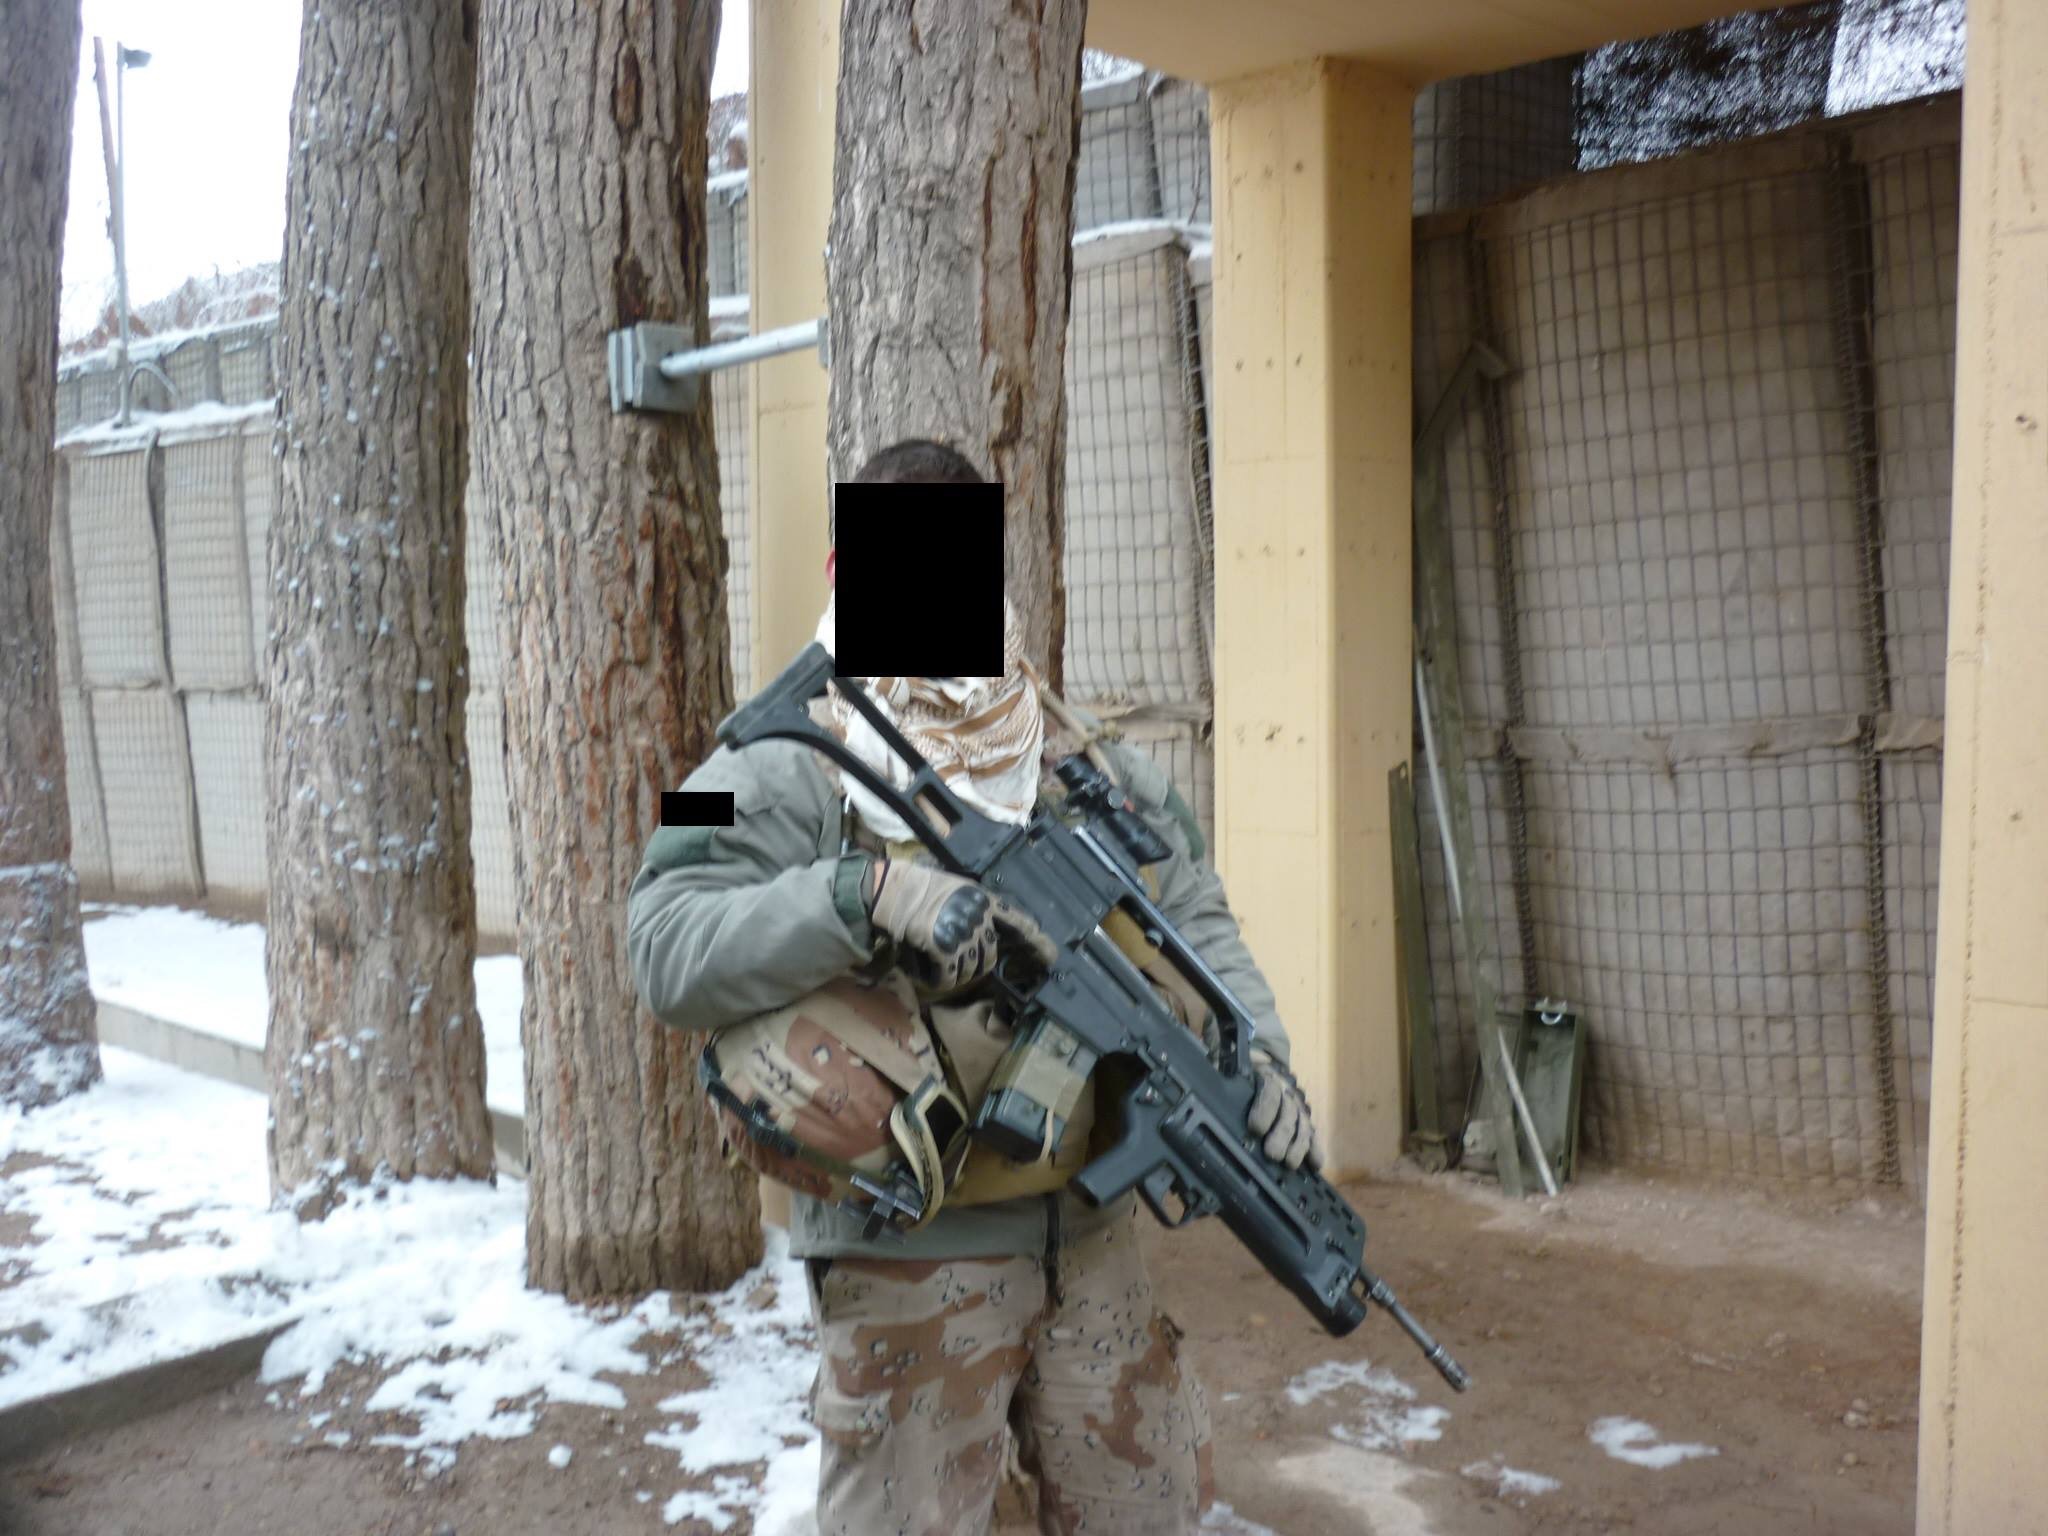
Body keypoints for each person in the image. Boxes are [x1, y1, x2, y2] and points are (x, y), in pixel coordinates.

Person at [627, 438, 1323, 1535]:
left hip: (1092, 1242)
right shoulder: (759, 764)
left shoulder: (1067, 748)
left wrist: (1259, 1055)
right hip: (907, 1264)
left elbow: (1191, 907)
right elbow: (659, 938)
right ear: (844, 574)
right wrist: (858, 897)